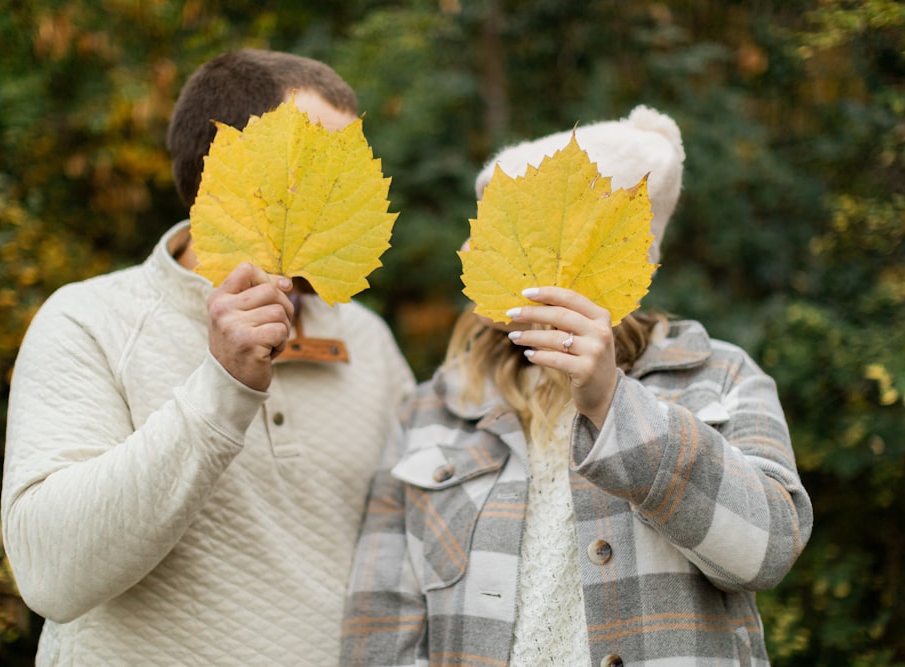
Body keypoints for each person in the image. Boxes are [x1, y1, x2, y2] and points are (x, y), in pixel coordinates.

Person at [341, 106, 813, 666]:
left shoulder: (719, 375)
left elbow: (769, 550)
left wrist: (614, 405)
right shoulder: (429, 412)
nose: (470, 252)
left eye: (503, 231)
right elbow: (378, 634)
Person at [1, 48, 415, 665]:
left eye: (354, 163)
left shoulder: (368, 339)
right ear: (226, 169)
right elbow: (49, 576)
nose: (348, 188)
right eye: (323, 162)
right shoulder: (89, 320)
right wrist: (221, 388)